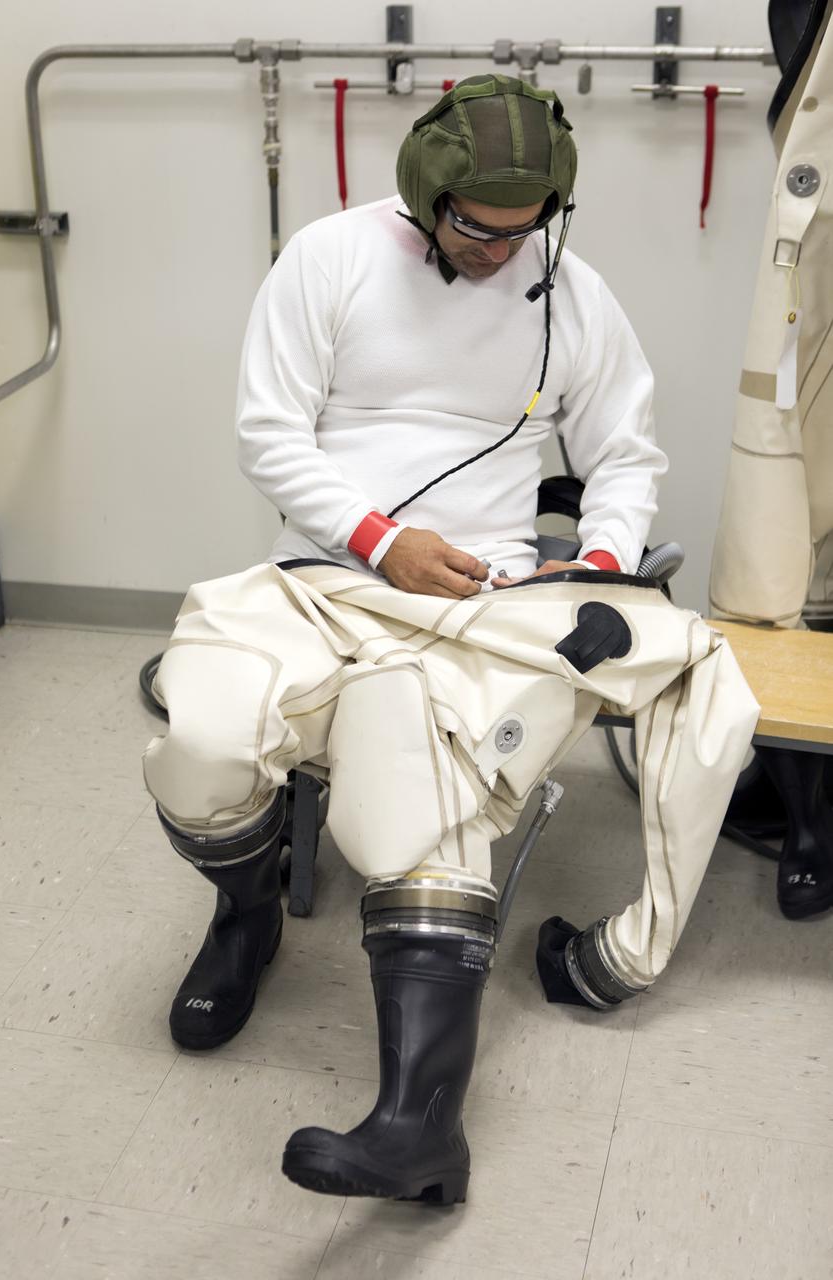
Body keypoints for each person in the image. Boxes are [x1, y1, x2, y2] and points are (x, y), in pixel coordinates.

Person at [142, 75, 758, 1205]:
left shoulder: (567, 293)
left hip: (482, 600)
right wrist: (382, 540)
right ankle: (246, 913)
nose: (496, 253)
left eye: (522, 232)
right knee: (205, 744)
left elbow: (624, 452)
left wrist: (605, 561)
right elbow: (268, 435)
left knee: (422, 800)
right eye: (476, 227)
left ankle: (416, 1127)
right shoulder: (327, 259)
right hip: (324, 570)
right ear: (427, 194)